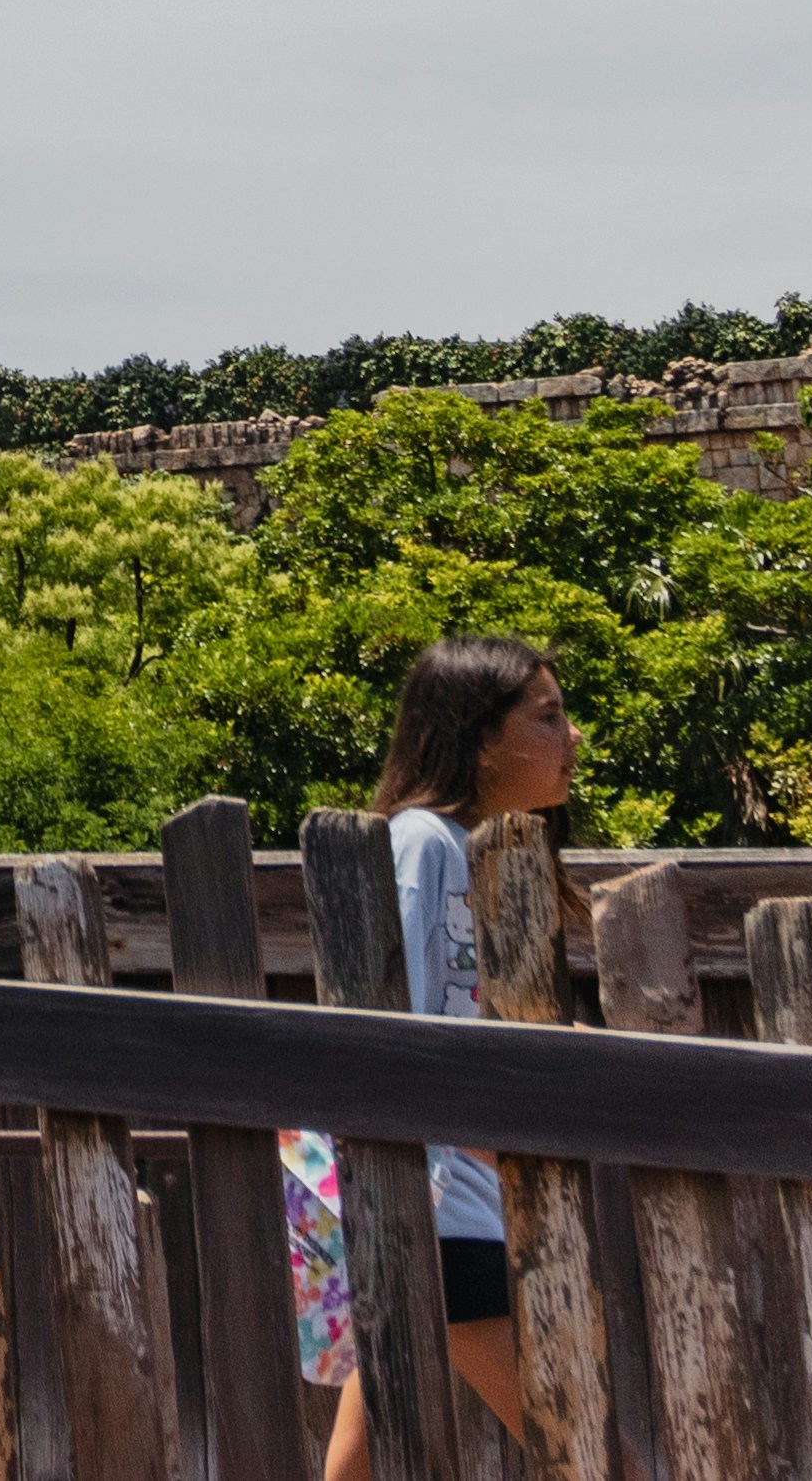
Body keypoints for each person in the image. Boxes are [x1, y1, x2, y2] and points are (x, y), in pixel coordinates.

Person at [315, 632, 583, 1481]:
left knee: (358, 1451)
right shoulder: (424, 842)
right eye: (545, 716)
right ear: (478, 736)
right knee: (578, 1436)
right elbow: (396, 1022)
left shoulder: (500, 856)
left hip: (459, 1200)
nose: (570, 735)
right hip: (437, 1201)